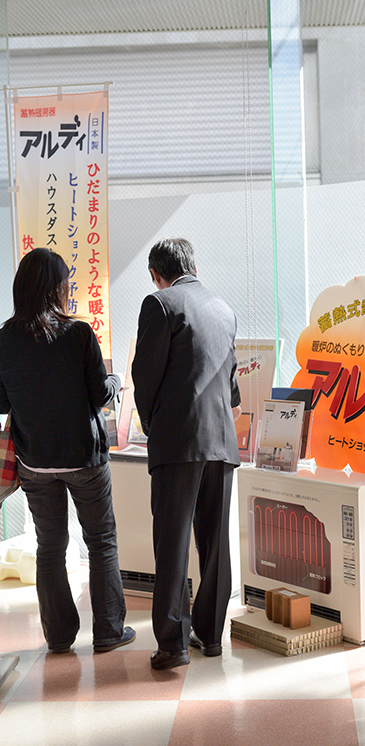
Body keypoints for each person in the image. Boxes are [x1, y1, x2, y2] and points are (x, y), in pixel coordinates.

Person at [0, 248, 135, 654]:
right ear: (55, 288)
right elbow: (100, 395)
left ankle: (58, 636)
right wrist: (115, 379)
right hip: (84, 459)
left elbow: (2, 402)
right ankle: (109, 631)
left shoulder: (4, 338)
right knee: (101, 541)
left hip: (34, 461)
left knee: (50, 546)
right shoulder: (78, 334)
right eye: (65, 282)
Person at [132, 237, 241, 671]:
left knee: (173, 541)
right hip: (222, 440)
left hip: (179, 441)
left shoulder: (160, 304)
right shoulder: (224, 308)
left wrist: (151, 426)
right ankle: (210, 635)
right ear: (193, 265)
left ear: (156, 274)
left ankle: (173, 643)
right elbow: (231, 382)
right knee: (215, 542)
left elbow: (145, 377)